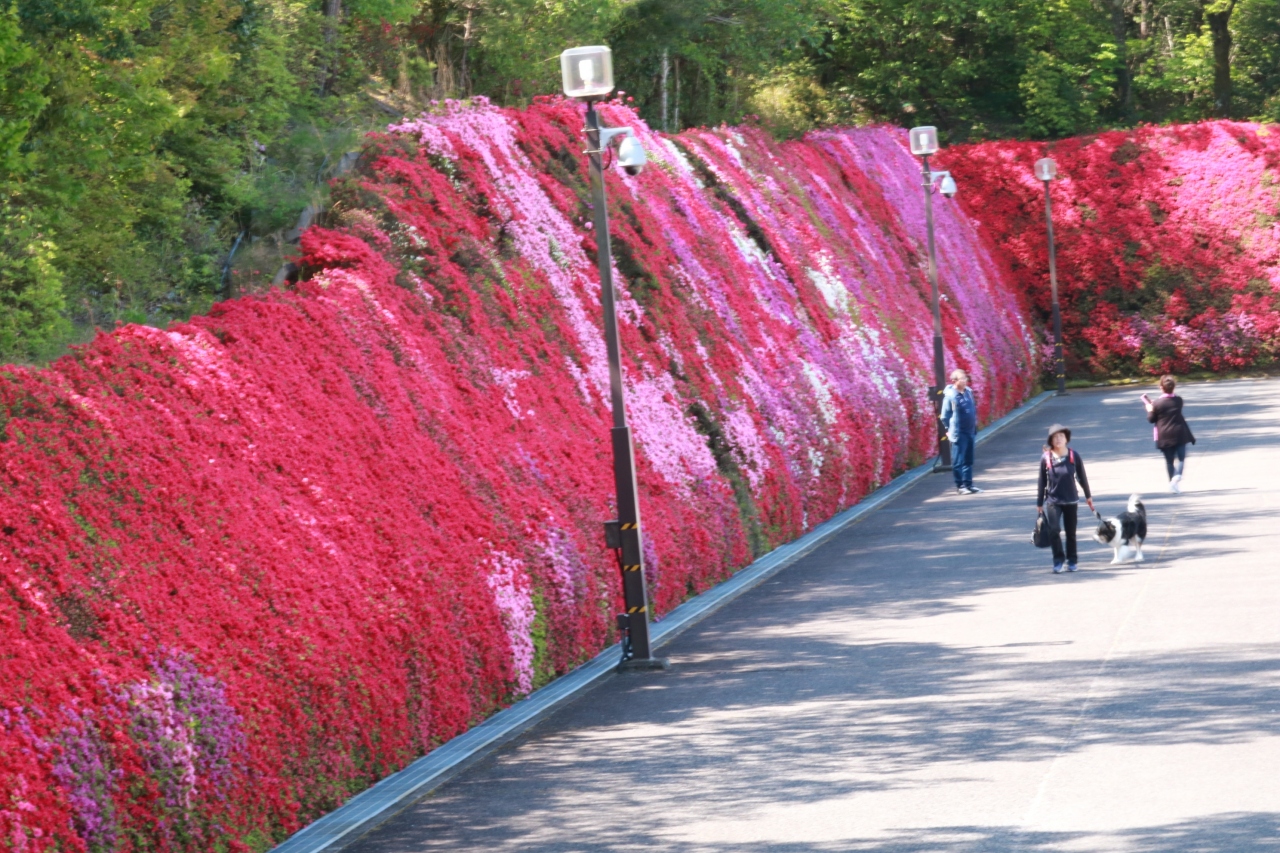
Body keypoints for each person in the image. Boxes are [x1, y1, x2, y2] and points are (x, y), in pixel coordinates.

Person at [1037, 424, 1095, 574]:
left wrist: (1088, 495)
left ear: (1066, 439)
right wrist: (1039, 503)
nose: (1058, 439)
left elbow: (1082, 476)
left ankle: (1072, 561)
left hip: (1071, 500)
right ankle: (1058, 561)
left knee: (1071, 533)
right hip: (1053, 501)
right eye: (1055, 437)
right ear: (1051, 440)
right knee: (1054, 530)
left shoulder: (1073, 455)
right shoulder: (1046, 458)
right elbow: (1042, 481)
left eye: (1061, 436)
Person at [1142, 375, 1195, 494]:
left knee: (1169, 461)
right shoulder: (1179, 400)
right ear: (1173, 387)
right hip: (1180, 433)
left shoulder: (1156, 404)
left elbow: (1151, 419)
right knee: (1181, 458)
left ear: (1161, 387)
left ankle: (1172, 483)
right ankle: (1176, 478)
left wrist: (1149, 409)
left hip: (1164, 435)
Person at [940, 368, 980, 495]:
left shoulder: (968, 392)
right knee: (958, 460)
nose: (965, 381)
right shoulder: (951, 396)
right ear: (954, 381)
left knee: (969, 459)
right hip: (958, 432)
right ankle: (960, 485)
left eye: (965, 378)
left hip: (970, 431)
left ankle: (969, 484)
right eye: (962, 379)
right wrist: (949, 429)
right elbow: (945, 416)